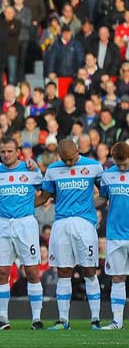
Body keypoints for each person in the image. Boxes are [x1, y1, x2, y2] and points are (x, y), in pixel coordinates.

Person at [41, 140, 104, 330]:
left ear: (79, 150)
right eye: (64, 160)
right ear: (58, 155)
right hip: (60, 224)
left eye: (71, 159)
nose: (68, 164)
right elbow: (45, 196)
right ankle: (63, 320)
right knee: (63, 271)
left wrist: (89, 207)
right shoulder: (52, 169)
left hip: (84, 225)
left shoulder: (94, 166)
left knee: (89, 270)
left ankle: (95, 320)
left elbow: (105, 193)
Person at [0, 137, 46, 330]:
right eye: (3, 152)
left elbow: (45, 193)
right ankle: (3, 319)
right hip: (4, 224)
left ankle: (36, 318)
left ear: (18, 151)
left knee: (32, 270)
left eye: (10, 151)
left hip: (26, 224)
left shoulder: (30, 170)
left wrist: (28, 206)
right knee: (1, 271)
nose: (6, 155)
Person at [99, 141, 129, 330]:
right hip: (115, 234)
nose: (122, 167)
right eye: (119, 164)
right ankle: (117, 321)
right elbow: (102, 198)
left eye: (125, 163)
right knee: (117, 277)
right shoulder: (108, 175)